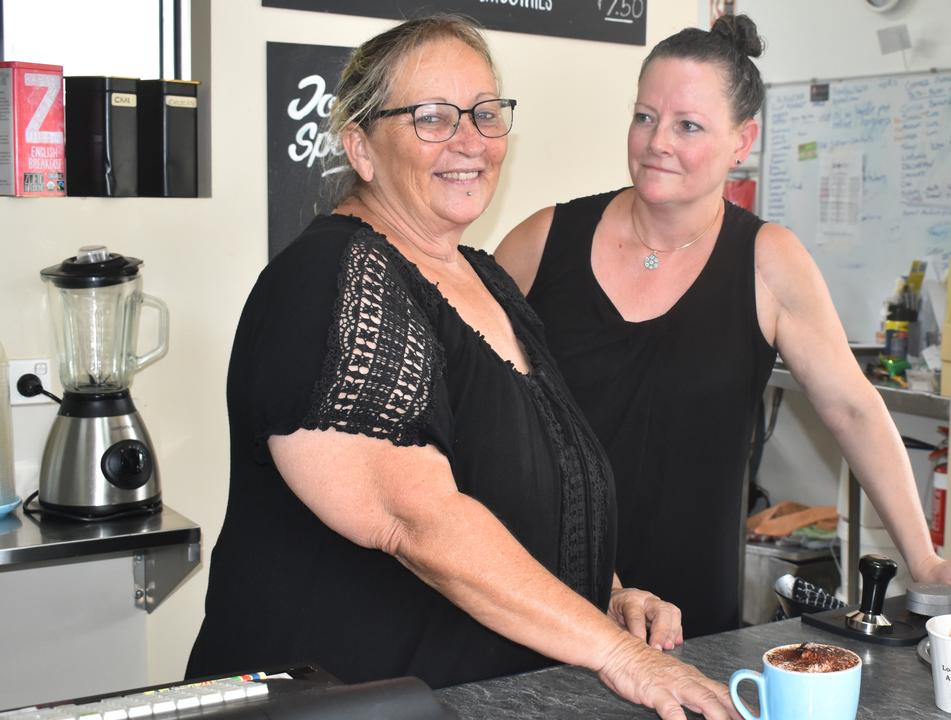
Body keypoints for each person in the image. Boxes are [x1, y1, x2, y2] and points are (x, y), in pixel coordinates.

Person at [186, 16, 738, 719]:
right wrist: (617, 653)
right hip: (349, 704)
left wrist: (605, 594)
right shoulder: (332, 277)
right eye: (432, 118)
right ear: (361, 146)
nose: (470, 140)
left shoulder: (483, 278)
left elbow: (537, 477)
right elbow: (414, 518)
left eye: (484, 113)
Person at [496, 15, 951, 639]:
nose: (658, 141)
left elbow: (853, 408)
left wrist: (925, 560)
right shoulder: (545, 238)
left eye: (688, 125)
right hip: (537, 594)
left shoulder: (769, 261)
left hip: (689, 619)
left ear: (743, 141)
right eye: (644, 116)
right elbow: (471, 398)